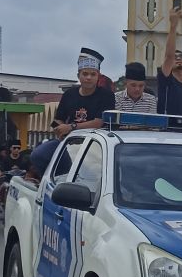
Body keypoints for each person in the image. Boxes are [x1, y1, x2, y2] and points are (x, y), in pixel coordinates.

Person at [30, 47, 117, 178]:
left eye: (93, 74)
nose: (88, 78)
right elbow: (56, 120)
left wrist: (71, 127)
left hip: (95, 144)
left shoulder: (107, 96)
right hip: (69, 141)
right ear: (78, 76)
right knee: (38, 154)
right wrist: (58, 130)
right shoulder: (69, 94)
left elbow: (99, 122)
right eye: (85, 74)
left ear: (98, 76)